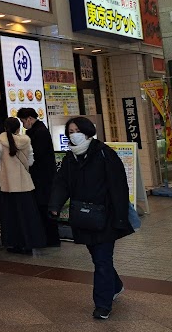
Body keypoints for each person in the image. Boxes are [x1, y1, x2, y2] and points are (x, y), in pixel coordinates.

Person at [49, 117, 133, 320]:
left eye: (77, 130)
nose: (73, 134)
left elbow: (119, 188)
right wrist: (54, 206)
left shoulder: (105, 154)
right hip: (84, 218)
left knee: (102, 260)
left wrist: (120, 218)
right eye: (70, 131)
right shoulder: (71, 159)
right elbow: (62, 184)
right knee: (99, 258)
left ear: (87, 131)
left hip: (106, 217)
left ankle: (102, 305)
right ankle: (116, 285)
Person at [0, 117, 46, 254]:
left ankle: (13, 243)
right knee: (27, 216)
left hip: (7, 185)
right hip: (24, 185)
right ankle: (30, 243)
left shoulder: (0, 142)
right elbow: (31, 161)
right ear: (18, 128)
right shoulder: (26, 141)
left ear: (5, 128)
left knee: (10, 216)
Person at [17, 108, 60, 247]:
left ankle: (50, 239)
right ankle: (49, 238)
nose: (23, 125)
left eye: (23, 121)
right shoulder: (39, 130)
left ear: (29, 118)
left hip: (43, 178)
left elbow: (36, 155)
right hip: (43, 177)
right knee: (43, 207)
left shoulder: (39, 132)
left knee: (44, 207)